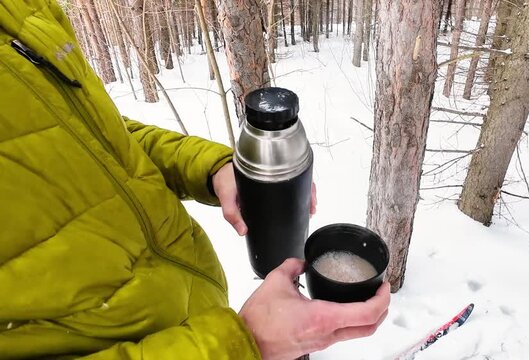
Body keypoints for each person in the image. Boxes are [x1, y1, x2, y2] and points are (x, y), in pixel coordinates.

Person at [0, 0, 390, 359]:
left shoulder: (20, 9)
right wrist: (239, 344)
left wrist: (212, 166)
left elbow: (95, 137)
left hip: (200, 309)